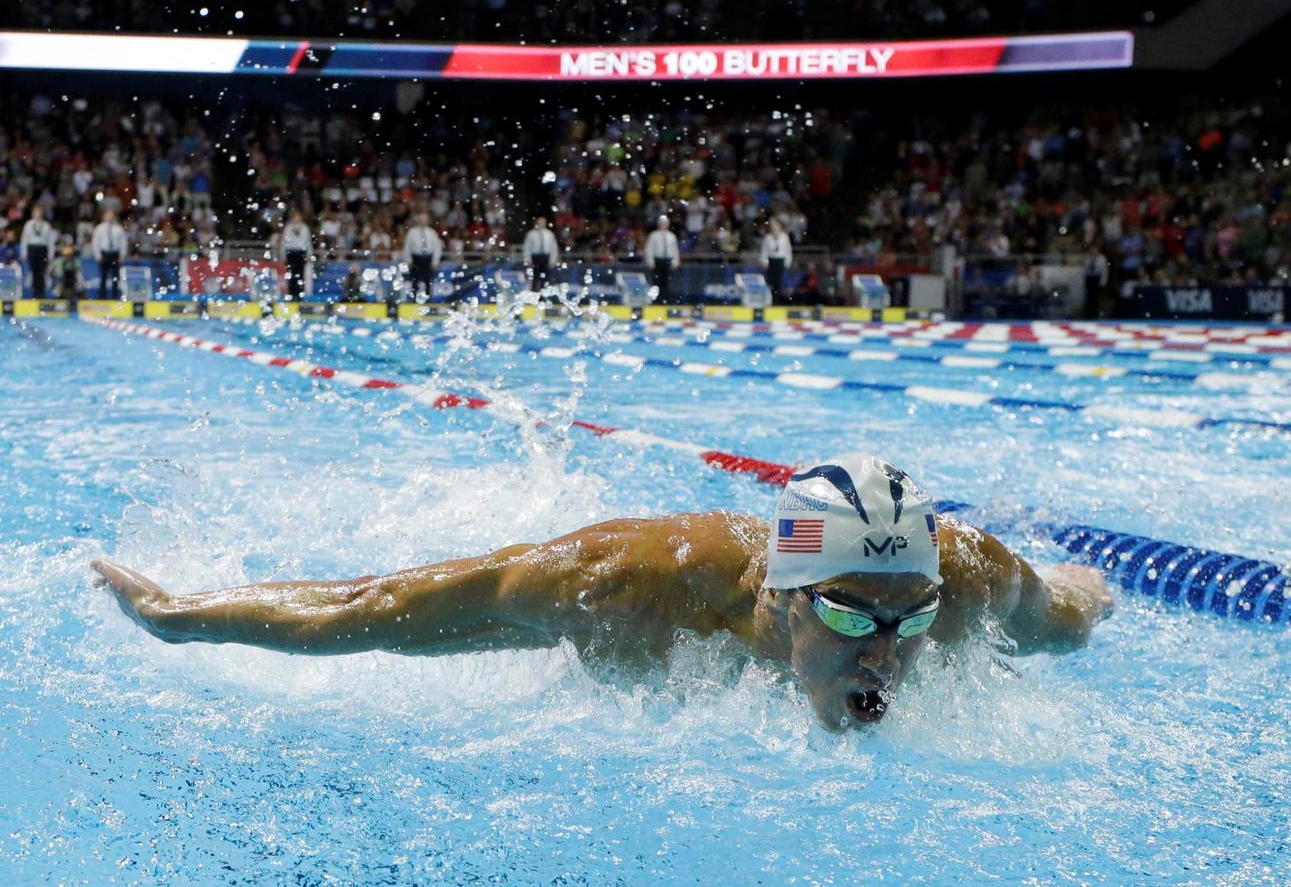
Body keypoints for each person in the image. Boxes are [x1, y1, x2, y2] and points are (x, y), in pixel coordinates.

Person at [94, 454, 1113, 731]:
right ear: (780, 593)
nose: (887, 653)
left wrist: (1091, 593)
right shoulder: (626, 585)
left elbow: (1067, 609)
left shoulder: (967, 581)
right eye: (848, 614)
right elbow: (364, 610)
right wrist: (179, 618)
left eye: (909, 617)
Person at [402, 212, 442, 301]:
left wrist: (435, 261)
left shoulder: (432, 232)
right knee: (415, 281)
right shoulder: (412, 232)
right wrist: (408, 260)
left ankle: (428, 300)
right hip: (416, 258)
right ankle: (414, 300)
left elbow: (437, 247)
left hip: (428, 259)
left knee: (427, 280)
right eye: (421, 220)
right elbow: (407, 247)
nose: (423, 222)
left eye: (425, 220)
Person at [91, 210, 127, 300]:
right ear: (104, 216)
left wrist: (122, 255)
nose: (110, 217)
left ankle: (115, 297)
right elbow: (95, 242)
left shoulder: (119, 228)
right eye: (108, 215)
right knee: (103, 277)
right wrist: (98, 255)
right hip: (104, 254)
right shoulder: (99, 228)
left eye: (111, 215)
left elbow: (123, 242)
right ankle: (102, 297)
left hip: (115, 254)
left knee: (115, 277)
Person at [20, 206, 54, 299]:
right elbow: (24, 239)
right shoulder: (28, 224)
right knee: (34, 272)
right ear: (32, 214)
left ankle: (41, 293)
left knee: (42, 272)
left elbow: (50, 241)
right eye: (36, 212)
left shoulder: (47, 225)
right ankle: (35, 293)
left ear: (42, 214)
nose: (37, 214)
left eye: (39, 212)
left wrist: (51, 253)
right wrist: (24, 252)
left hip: (43, 249)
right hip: (32, 249)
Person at [644, 215, 680, 302]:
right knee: (656, 282)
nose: (664, 225)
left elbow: (675, 250)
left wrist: (676, 261)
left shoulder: (671, 236)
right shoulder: (654, 235)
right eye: (662, 223)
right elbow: (650, 249)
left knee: (666, 282)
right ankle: (655, 300)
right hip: (658, 260)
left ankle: (665, 299)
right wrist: (650, 261)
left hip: (667, 260)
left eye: (665, 223)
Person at [759, 218, 793, 302]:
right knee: (771, 281)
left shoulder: (784, 237)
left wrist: (788, 262)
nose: (774, 227)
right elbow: (764, 250)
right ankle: (770, 300)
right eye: (773, 226)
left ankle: (777, 301)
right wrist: (764, 261)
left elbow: (788, 250)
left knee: (779, 282)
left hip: (780, 260)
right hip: (771, 260)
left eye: (776, 226)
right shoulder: (767, 237)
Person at [522, 216, 559, 292]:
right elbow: (527, 247)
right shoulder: (531, 234)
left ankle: (543, 295)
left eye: (542, 222)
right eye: (539, 222)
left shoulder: (549, 234)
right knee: (535, 277)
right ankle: (533, 294)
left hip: (546, 257)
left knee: (546, 277)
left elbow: (553, 248)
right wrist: (528, 259)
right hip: (535, 257)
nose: (541, 224)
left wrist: (552, 260)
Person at [281, 211, 313, 301]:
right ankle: (291, 294)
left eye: (298, 217)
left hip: (300, 252)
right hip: (291, 252)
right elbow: (284, 242)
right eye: (295, 217)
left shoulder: (305, 228)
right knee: (291, 275)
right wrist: (283, 256)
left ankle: (299, 295)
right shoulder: (288, 227)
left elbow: (308, 242)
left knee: (300, 275)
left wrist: (309, 255)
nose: (297, 219)